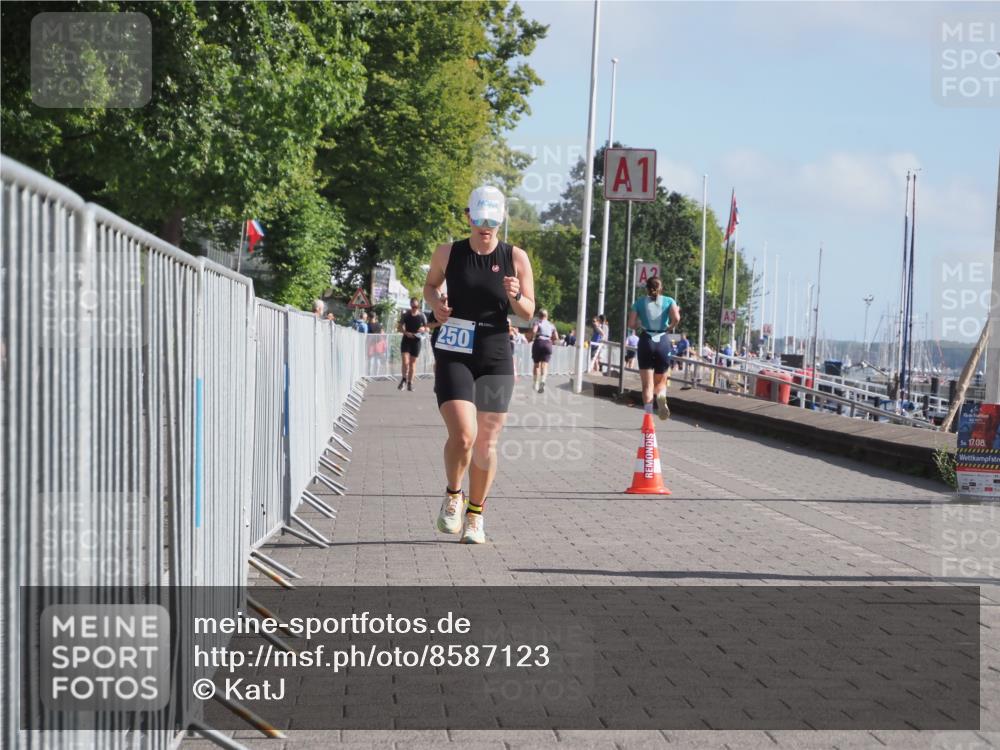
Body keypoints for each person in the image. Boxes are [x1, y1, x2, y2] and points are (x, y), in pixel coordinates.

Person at [423, 185, 535, 545]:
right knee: (464, 435)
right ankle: (453, 495)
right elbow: (430, 285)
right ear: (468, 217)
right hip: (455, 347)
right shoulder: (447, 253)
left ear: (500, 220)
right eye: (479, 218)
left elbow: (528, 313)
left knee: (486, 442)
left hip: (496, 351)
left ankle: (475, 516)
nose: (485, 226)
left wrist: (515, 294)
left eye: (492, 220)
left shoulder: (516, 257)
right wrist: (437, 304)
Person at [627, 276, 680, 420]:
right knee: (661, 382)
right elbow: (677, 318)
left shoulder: (638, 303)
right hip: (662, 340)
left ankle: (648, 416)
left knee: (647, 385)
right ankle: (661, 396)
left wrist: (639, 324)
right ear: (661, 288)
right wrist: (669, 327)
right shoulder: (669, 301)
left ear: (647, 288)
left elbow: (631, 324)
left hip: (646, 341)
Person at [398, 297, 427, 391]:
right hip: (406, 339)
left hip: (416, 340)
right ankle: (403, 379)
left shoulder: (422, 316)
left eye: (416, 306)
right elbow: (399, 327)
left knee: (412, 363)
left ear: (418, 306)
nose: (415, 308)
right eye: (413, 306)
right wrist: (406, 333)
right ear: (410, 305)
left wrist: (424, 329)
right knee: (405, 361)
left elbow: (428, 327)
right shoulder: (406, 315)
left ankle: (410, 383)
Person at [530, 309, 559, 393]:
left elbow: (534, 331)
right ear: (547, 316)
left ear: (539, 315)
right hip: (548, 343)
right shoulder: (551, 324)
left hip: (539, 342)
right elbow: (556, 337)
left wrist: (534, 337)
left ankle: (535, 383)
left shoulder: (537, 322)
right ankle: (543, 381)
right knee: (545, 365)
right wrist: (551, 340)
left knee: (536, 364)